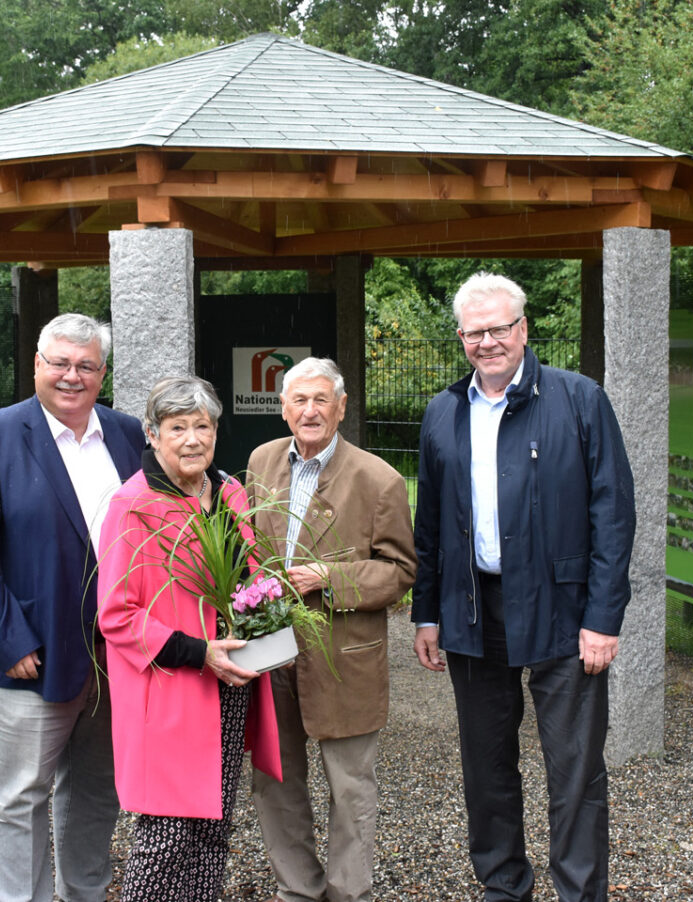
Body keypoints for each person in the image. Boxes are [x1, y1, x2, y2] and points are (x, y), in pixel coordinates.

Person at [411, 273, 636, 902]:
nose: (488, 342)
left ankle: (579, 893)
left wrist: (604, 618)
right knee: (486, 768)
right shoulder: (443, 412)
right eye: (475, 332)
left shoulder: (579, 399)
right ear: (461, 338)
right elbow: (428, 526)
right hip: (473, 610)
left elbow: (613, 516)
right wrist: (426, 614)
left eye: (499, 329)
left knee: (575, 772)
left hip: (565, 611)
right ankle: (503, 887)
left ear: (523, 329)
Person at [0, 313, 144, 902]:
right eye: (58, 362)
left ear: (102, 373)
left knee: (95, 793)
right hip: (28, 653)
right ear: (37, 364)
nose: (70, 376)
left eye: (85, 365)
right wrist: (7, 639)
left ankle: (83, 895)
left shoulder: (129, 434)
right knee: (19, 798)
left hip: (114, 659)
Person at [97, 375, 282, 902]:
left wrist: (270, 618)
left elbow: (248, 577)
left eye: (202, 426)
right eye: (177, 427)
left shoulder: (228, 492)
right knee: (165, 836)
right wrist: (199, 652)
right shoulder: (132, 506)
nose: (192, 439)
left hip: (229, 686)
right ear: (153, 436)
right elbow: (116, 613)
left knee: (214, 825)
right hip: (172, 689)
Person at [245, 357, 417, 902]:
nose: (310, 411)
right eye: (299, 400)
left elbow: (402, 570)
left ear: (342, 407)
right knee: (275, 780)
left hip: (345, 654)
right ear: (283, 408)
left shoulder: (378, 479)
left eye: (322, 400)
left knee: (349, 788)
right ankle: (297, 888)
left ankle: (348, 892)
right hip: (272, 650)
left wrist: (331, 577)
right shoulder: (260, 461)